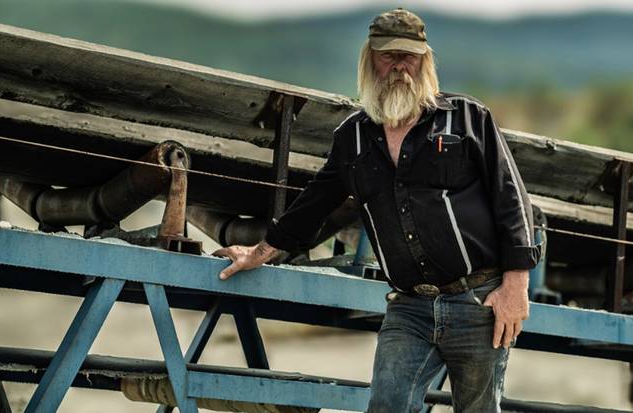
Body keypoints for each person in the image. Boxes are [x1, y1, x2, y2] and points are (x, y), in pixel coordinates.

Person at [213, 8, 540, 412]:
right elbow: (312, 206)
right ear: (370, 60)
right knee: (387, 406)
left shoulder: (468, 119)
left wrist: (516, 286)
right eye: (389, 56)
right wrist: (258, 253)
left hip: (478, 302)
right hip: (409, 309)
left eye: (410, 56)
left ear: (425, 60)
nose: (401, 66)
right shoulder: (352, 137)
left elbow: (511, 198)